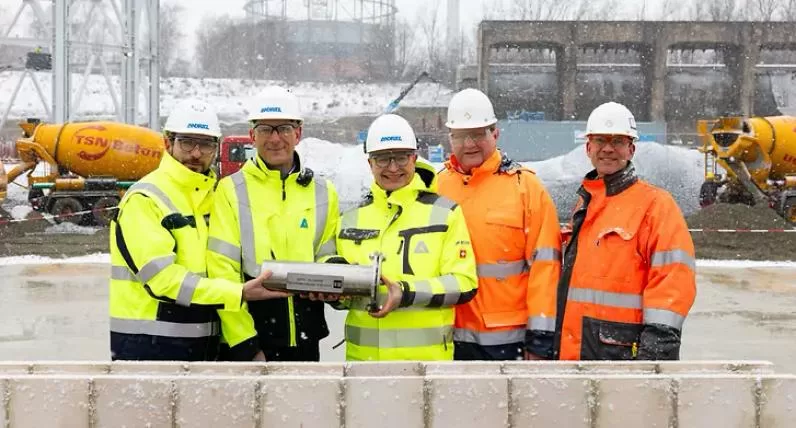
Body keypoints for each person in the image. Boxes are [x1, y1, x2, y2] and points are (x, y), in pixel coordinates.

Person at [109, 99, 284, 361]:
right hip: (148, 346)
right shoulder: (145, 199)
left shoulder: (215, 197)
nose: (196, 153)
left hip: (204, 344)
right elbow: (162, 280)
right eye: (187, 142)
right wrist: (239, 293)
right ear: (168, 142)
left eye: (205, 144)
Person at [326, 113, 478, 361]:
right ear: (370, 163)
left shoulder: (445, 213)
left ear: (414, 158)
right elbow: (343, 288)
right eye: (383, 159)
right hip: (363, 364)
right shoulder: (350, 219)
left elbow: (464, 284)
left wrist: (406, 293)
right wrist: (335, 295)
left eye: (401, 157)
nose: (393, 167)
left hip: (426, 365)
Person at [554, 101, 697, 361]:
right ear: (588, 148)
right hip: (574, 352)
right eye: (600, 140)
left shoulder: (656, 205)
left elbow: (673, 278)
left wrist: (658, 345)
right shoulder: (585, 203)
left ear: (631, 149)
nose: (608, 148)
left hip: (621, 352)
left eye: (618, 141)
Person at [207, 86, 340, 362]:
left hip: (306, 337)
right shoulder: (231, 190)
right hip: (253, 338)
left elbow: (328, 254)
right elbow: (222, 272)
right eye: (266, 129)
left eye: (285, 129)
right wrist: (246, 343)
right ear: (252, 136)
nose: (275, 138)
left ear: (298, 133)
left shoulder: (323, 192)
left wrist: (333, 279)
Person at [437, 88, 562, 361]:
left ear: (495, 134)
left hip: (508, 342)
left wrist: (540, 339)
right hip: (445, 338)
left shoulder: (526, 187)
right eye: (460, 136)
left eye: (479, 134)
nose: (469, 143)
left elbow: (546, 268)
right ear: (450, 138)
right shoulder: (436, 187)